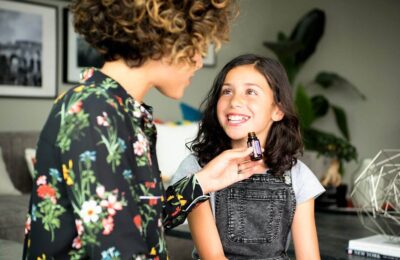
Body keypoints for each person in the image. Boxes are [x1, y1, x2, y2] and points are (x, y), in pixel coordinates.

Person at [22, 1, 264, 259]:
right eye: (198, 44)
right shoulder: (93, 111)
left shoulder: (120, 110)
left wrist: (204, 182)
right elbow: (117, 250)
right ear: (167, 35)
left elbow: (139, 222)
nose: (199, 61)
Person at [171, 54, 326, 260]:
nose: (234, 101)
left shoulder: (298, 175)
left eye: (251, 91)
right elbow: (213, 257)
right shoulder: (197, 170)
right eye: (226, 91)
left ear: (278, 110)